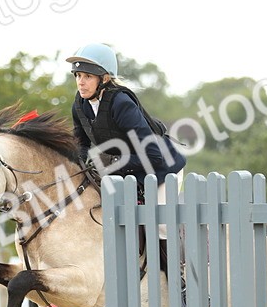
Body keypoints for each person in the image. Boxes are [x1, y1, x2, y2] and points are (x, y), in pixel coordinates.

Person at [66, 42, 186, 207]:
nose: (80, 82)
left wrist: (114, 160)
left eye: (88, 76)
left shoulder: (121, 103)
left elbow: (154, 156)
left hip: (163, 168)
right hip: (129, 173)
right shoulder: (80, 105)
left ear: (105, 78)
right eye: (78, 75)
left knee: (161, 226)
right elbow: (81, 145)